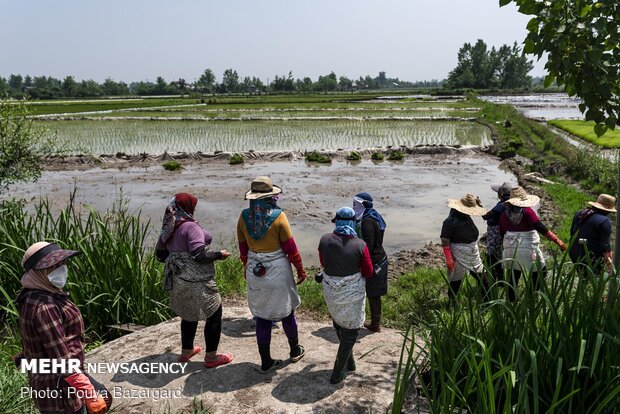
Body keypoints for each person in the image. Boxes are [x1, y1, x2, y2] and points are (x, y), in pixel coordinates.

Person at [15, 242, 111, 414]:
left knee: (105, 396)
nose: (61, 269)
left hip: (52, 376)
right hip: (60, 386)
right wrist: (87, 392)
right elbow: (61, 360)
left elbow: (39, 338)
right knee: (97, 400)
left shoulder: (32, 295)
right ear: (38, 273)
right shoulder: (46, 307)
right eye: (53, 266)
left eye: (61, 264)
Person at [237, 176, 307, 373]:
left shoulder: (243, 217)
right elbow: (291, 249)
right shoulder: (279, 216)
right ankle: (294, 350)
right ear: (270, 197)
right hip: (277, 271)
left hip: (255, 269)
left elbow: (243, 249)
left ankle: (266, 361)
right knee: (286, 312)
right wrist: (300, 269)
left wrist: (246, 266)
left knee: (262, 316)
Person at [155, 193, 233, 368]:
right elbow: (200, 255)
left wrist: (177, 257)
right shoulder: (190, 227)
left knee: (188, 312)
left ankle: (187, 351)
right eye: (194, 206)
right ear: (188, 207)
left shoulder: (169, 227)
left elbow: (160, 254)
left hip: (179, 278)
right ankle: (212, 357)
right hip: (198, 279)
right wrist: (219, 255)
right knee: (214, 314)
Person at [318, 207, 374, 384]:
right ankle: (337, 372)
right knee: (350, 331)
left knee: (339, 322)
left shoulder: (325, 240)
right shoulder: (359, 245)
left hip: (331, 291)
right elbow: (368, 271)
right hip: (351, 294)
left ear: (337, 221)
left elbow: (323, 262)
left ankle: (349, 363)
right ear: (353, 223)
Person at [500, 186, 566, 301]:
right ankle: (532, 296)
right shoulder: (527, 211)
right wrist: (557, 240)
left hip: (510, 248)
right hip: (527, 247)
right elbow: (540, 227)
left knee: (514, 274)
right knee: (540, 271)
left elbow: (502, 232)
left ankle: (512, 301)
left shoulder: (504, 214)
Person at [440, 193, 489, 303]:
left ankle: (488, 303)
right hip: (458, 253)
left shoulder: (464, 217)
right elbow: (445, 240)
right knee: (456, 281)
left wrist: (479, 204)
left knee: (483, 280)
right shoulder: (450, 222)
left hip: (472, 252)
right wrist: (449, 258)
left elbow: (486, 215)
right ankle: (452, 304)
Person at [352, 192, 388, 333]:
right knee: (374, 294)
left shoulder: (367, 222)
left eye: (356, 204)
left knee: (372, 293)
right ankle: (374, 322)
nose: (353, 206)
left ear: (363, 205)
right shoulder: (373, 216)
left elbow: (368, 246)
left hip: (373, 261)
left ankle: (375, 324)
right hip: (379, 258)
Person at [569, 193, 616, 275]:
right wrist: (610, 265)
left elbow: (572, 233)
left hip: (574, 252)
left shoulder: (580, 213)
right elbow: (605, 247)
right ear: (607, 211)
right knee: (594, 280)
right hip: (590, 258)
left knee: (583, 278)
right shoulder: (604, 221)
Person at [482, 182, 514, 283]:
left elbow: (485, 216)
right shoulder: (513, 204)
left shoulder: (501, 206)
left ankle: (493, 281)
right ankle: (500, 280)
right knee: (499, 256)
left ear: (500, 194)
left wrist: (478, 206)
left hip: (495, 234)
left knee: (492, 258)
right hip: (506, 234)